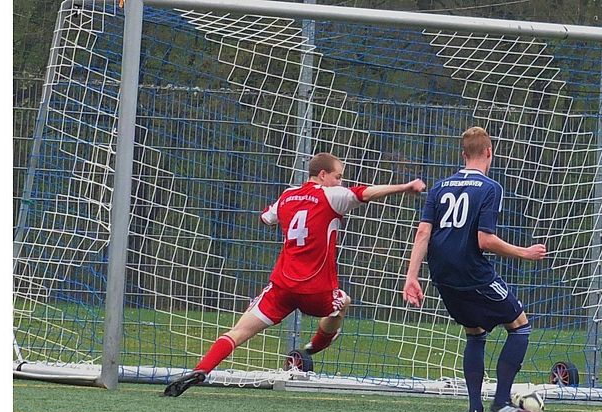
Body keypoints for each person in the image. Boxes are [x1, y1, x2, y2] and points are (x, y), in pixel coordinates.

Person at [164, 153, 425, 397]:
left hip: (282, 287)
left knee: (239, 331)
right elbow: (366, 193)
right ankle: (309, 351)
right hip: (316, 292)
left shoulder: (288, 196)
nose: (340, 181)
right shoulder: (332, 196)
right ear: (323, 175)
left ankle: (202, 368)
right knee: (341, 302)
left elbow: (266, 218)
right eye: (338, 176)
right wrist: (405, 187)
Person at [402, 127, 546, 412]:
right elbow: (484, 240)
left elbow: (423, 233)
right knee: (519, 327)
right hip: (474, 272)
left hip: (441, 274)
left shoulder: (440, 187)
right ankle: (502, 402)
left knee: (475, 332)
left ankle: (475, 410)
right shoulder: (490, 187)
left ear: (463, 155)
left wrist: (411, 277)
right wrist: (525, 252)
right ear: (489, 153)